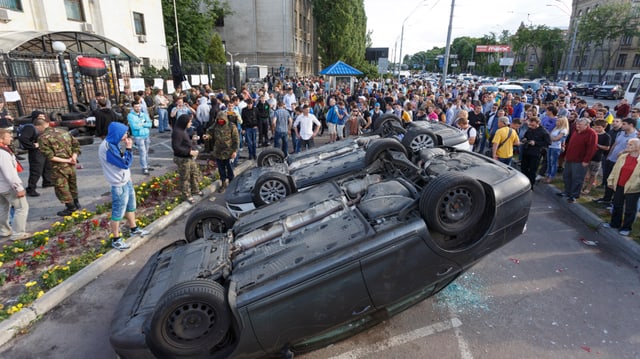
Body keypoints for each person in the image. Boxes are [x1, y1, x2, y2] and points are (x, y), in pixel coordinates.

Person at [98, 122, 145, 250]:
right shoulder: (107, 147)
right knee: (118, 212)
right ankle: (116, 239)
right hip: (118, 184)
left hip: (126, 181)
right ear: (117, 133)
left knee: (131, 206)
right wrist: (129, 148)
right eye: (124, 133)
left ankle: (133, 228)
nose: (126, 135)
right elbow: (124, 163)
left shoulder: (114, 144)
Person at [38, 122, 81, 216]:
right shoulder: (63, 132)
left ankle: (70, 207)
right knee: (72, 184)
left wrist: (67, 160)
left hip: (58, 167)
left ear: (39, 126)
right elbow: (76, 145)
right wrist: (73, 157)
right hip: (71, 164)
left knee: (61, 187)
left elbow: (50, 156)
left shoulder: (43, 138)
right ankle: (76, 203)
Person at [594, 117, 638, 205]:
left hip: (621, 162)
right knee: (608, 179)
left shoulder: (635, 136)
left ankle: (614, 201)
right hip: (611, 159)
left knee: (617, 182)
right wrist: (609, 155)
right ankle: (606, 198)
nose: (622, 125)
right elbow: (615, 144)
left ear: (631, 125)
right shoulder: (621, 133)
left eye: (624, 124)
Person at [602, 138, 640, 236]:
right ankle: (614, 223)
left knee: (630, 209)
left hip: (633, 189)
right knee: (617, 205)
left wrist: (635, 185)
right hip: (619, 185)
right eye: (628, 144)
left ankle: (626, 227)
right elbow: (615, 170)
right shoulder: (623, 157)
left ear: (637, 148)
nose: (627, 146)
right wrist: (611, 180)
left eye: (630, 145)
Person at [557, 118, 597, 203]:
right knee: (567, 176)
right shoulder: (576, 131)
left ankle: (574, 195)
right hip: (570, 158)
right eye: (577, 124)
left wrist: (586, 160)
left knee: (577, 178)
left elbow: (591, 149)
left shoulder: (591, 134)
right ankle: (567, 192)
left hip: (580, 161)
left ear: (587, 125)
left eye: (580, 125)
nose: (577, 126)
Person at [0, 128, 30, 241]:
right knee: (21, 207)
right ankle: (18, 233)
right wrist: (18, 187)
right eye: (9, 136)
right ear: (2, 139)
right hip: (7, 186)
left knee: (3, 208)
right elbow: (9, 173)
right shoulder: (2, 153)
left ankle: (4, 230)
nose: (11, 138)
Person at [19, 115, 53, 197]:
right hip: (35, 152)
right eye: (44, 128)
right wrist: (33, 146)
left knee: (47, 166)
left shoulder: (40, 129)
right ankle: (31, 188)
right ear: (38, 126)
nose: (45, 130)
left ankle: (47, 181)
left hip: (43, 149)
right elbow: (23, 138)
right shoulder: (30, 128)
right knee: (36, 170)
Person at [172, 114, 202, 204]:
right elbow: (176, 147)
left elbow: (184, 142)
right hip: (183, 159)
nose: (191, 123)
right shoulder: (177, 132)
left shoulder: (183, 130)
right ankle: (187, 195)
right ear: (184, 122)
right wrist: (189, 152)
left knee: (194, 173)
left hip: (188, 158)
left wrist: (191, 139)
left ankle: (195, 190)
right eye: (189, 121)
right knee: (185, 177)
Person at [206, 112, 239, 193]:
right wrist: (207, 136)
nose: (220, 121)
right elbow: (209, 132)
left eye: (222, 119)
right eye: (219, 119)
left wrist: (235, 151)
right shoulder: (215, 125)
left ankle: (232, 184)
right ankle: (223, 184)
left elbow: (236, 139)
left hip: (229, 151)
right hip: (218, 152)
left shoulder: (231, 126)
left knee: (230, 169)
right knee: (221, 169)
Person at [520, 116, 550, 188]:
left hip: (535, 153)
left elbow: (548, 143)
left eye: (533, 125)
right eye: (530, 124)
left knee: (532, 170)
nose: (531, 126)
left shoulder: (544, 132)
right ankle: (522, 184)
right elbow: (525, 136)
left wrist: (536, 143)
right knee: (524, 168)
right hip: (526, 151)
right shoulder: (529, 129)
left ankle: (530, 185)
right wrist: (524, 139)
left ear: (538, 123)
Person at [582, 119, 610, 195]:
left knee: (593, 174)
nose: (596, 129)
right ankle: (582, 186)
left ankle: (588, 188)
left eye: (599, 127)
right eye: (595, 127)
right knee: (585, 173)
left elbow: (607, 147)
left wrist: (598, 145)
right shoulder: (592, 133)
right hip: (588, 156)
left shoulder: (606, 136)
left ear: (603, 127)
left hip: (597, 158)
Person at [128, 102, 153, 175]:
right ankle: (144, 167)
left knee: (146, 151)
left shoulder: (143, 114)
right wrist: (144, 124)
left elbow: (150, 124)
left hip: (146, 135)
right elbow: (134, 127)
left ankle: (147, 165)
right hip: (138, 136)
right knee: (143, 152)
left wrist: (142, 124)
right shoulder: (130, 116)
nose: (138, 108)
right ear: (133, 107)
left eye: (139, 107)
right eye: (136, 107)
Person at [545, 116, 569, 183]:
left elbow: (557, 138)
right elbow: (550, 135)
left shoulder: (563, 129)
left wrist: (550, 137)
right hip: (550, 146)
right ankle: (548, 174)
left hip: (556, 147)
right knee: (549, 161)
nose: (556, 122)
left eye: (558, 121)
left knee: (553, 162)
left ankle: (551, 176)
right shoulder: (556, 127)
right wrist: (550, 137)